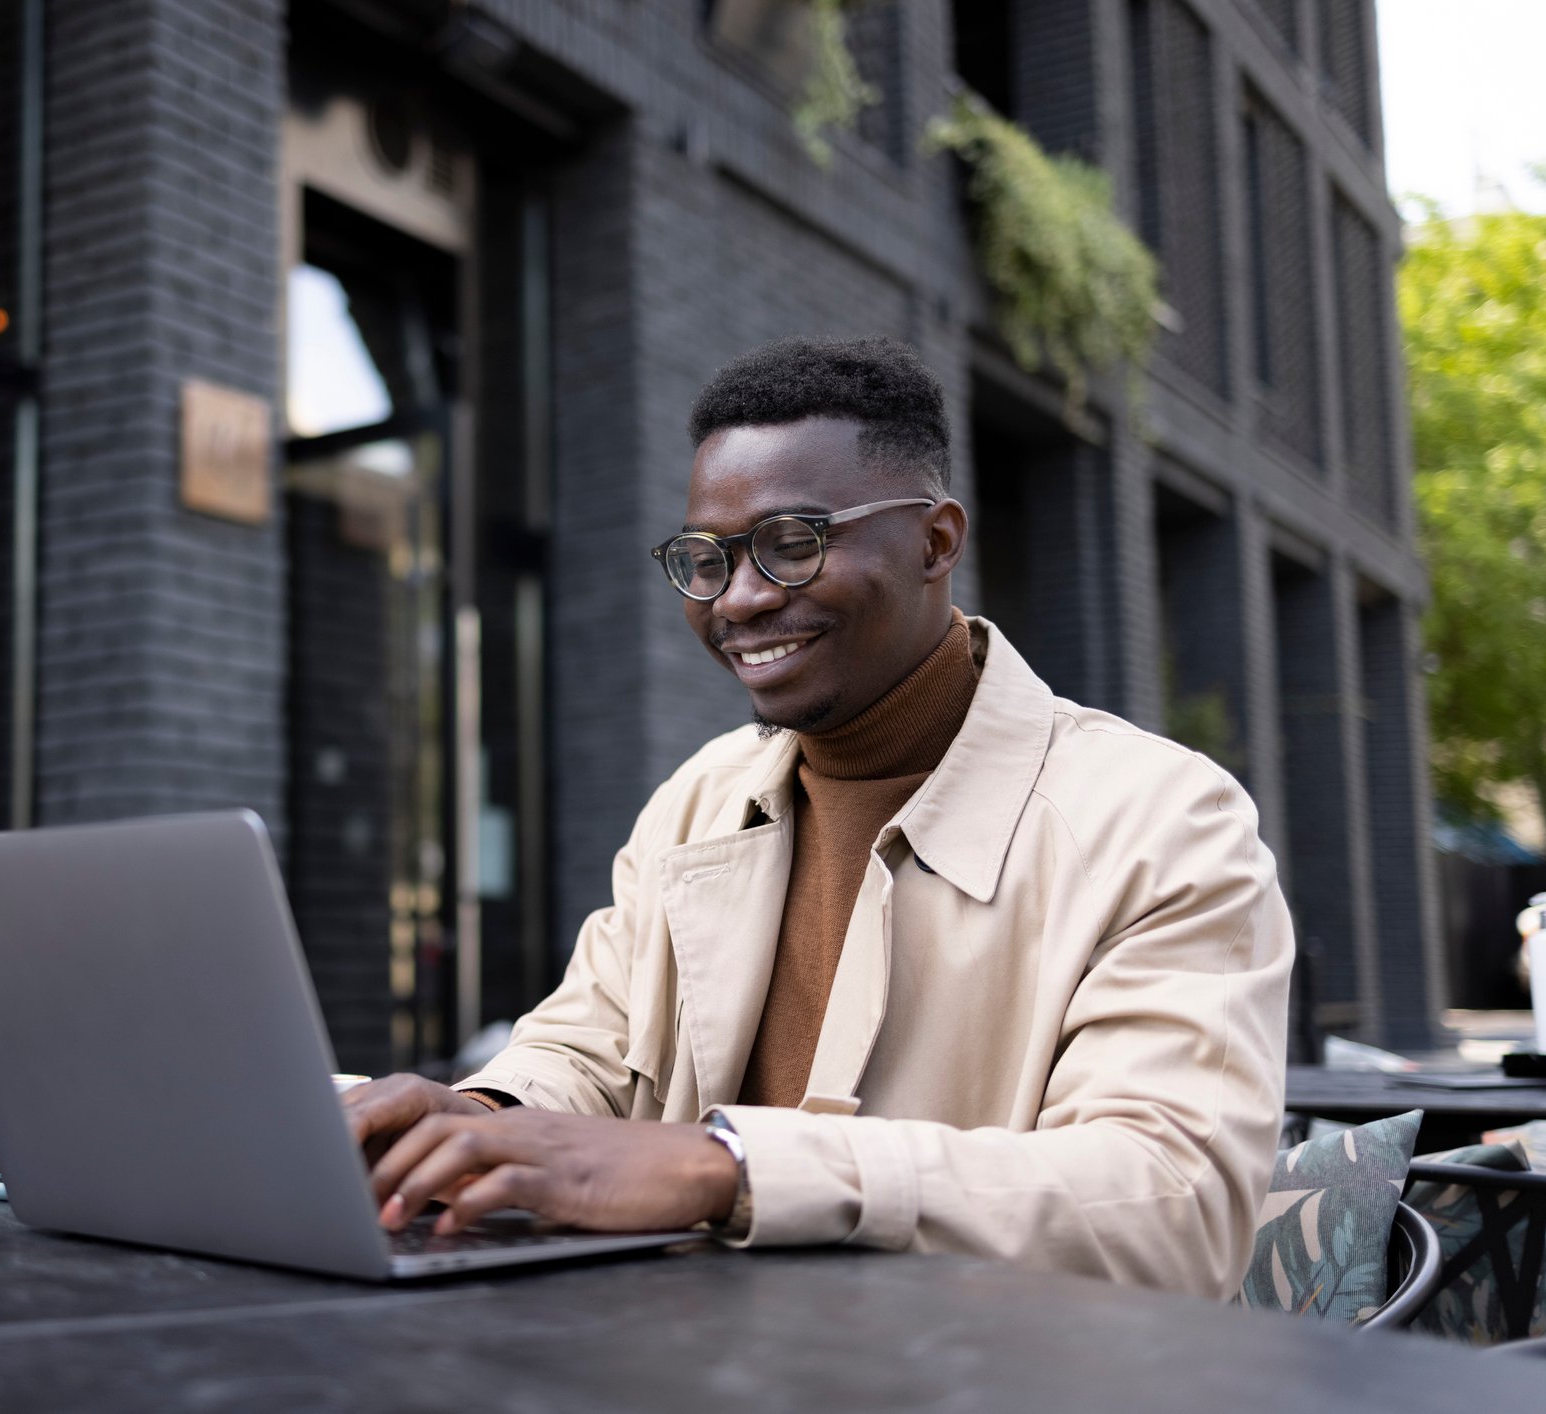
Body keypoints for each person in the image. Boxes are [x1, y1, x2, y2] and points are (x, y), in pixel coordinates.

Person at [344, 335, 1292, 1299]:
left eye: (793, 544)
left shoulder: (1165, 821)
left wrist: (729, 1168)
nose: (741, 600)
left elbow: (1173, 1205)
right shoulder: (702, 797)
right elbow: (589, 1044)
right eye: (705, 560)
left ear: (936, 541)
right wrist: (477, 1117)